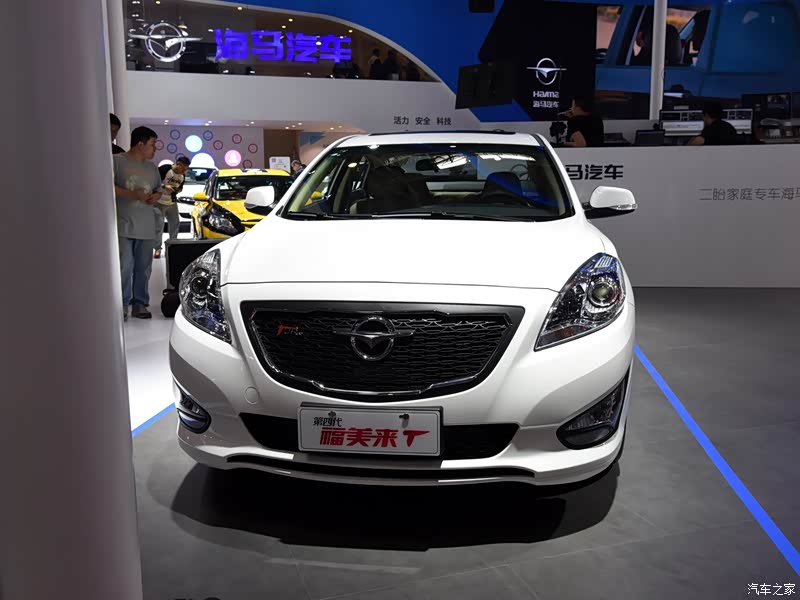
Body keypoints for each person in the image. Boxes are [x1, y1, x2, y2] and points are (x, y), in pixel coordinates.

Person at [113, 126, 162, 320]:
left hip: (146, 225)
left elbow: (158, 189)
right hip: (123, 224)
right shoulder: (117, 162)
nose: (155, 149)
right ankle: (122, 304)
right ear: (140, 144)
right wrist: (133, 194)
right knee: (125, 266)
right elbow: (107, 187)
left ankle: (140, 304)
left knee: (143, 268)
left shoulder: (152, 168)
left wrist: (155, 196)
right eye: (152, 144)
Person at [154, 156, 191, 259]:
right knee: (158, 226)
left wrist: (176, 190)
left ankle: (172, 246)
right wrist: (164, 186)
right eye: (183, 168)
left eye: (186, 169)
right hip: (159, 201)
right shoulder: (165, 169)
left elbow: (180, 188)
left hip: (171, 202)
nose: (184, 171)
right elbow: (153, 182)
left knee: (175, 224)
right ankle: (157, 248)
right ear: (178, 164)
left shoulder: (182, 176)